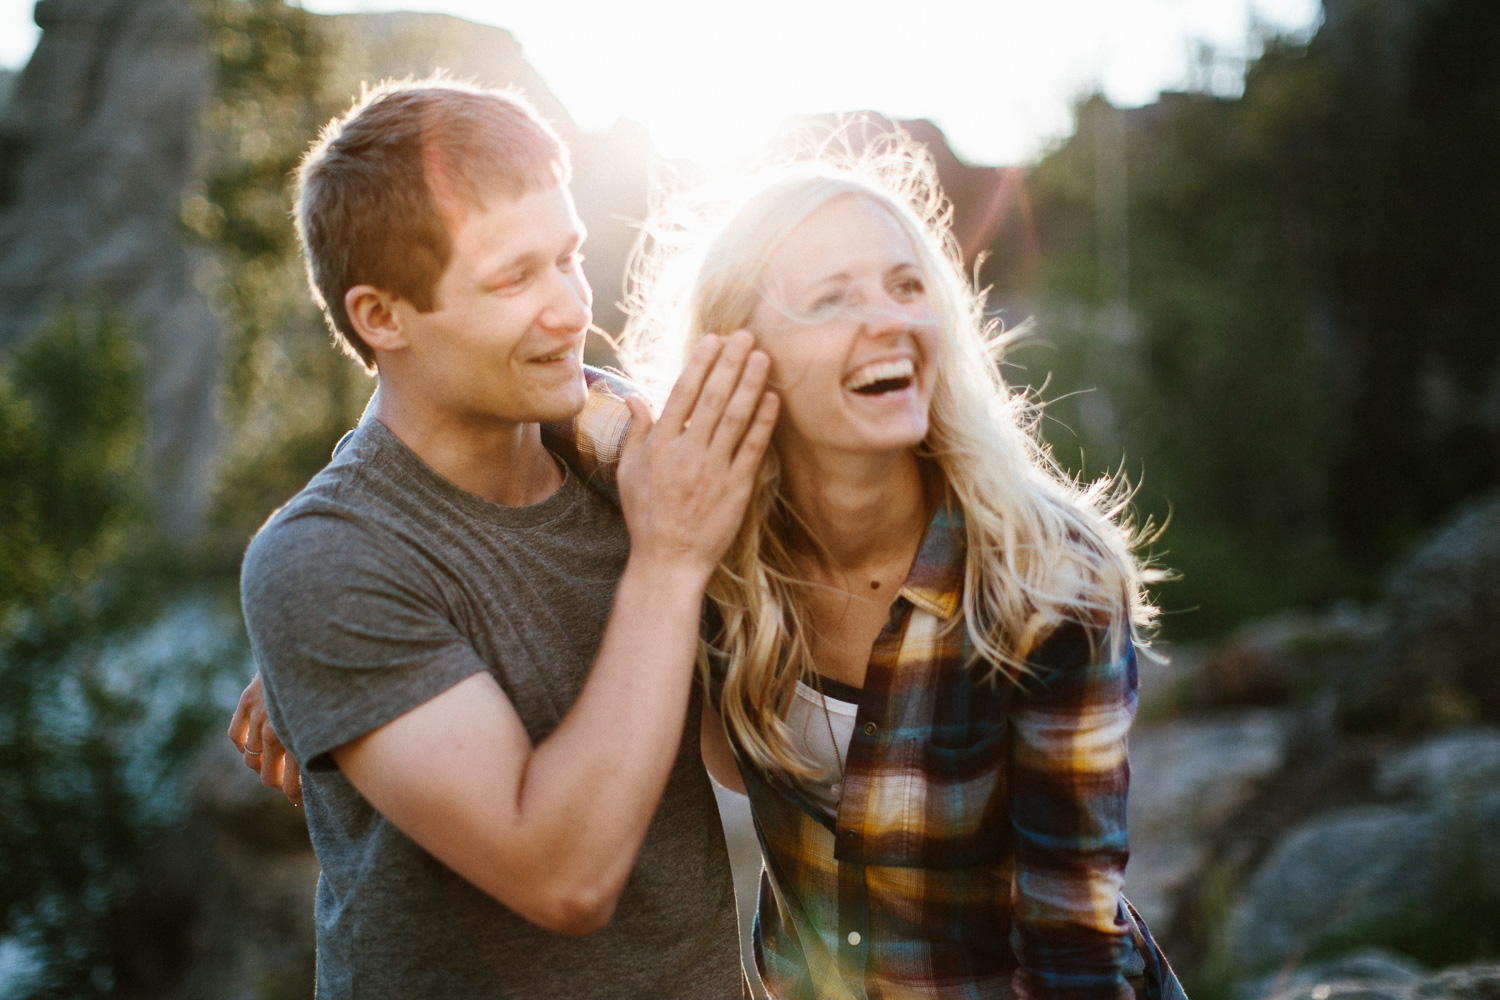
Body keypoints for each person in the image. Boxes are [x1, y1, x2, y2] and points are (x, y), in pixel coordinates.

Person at [229, 77, 778, 998]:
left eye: (568, 257)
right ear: (381, 316)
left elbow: (739, 755)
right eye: (514, 278)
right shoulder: (324, 560)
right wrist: (671, 558)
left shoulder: (615, 443)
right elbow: (563, 878)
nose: (571, 308)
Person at [604, 149, 1187, 1000]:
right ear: (737, 355)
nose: (888, 320)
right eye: (832, 299)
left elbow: (1073, 952)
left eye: (907, 287)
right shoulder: (706, 540)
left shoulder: (1049, 578)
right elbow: (558, 399)